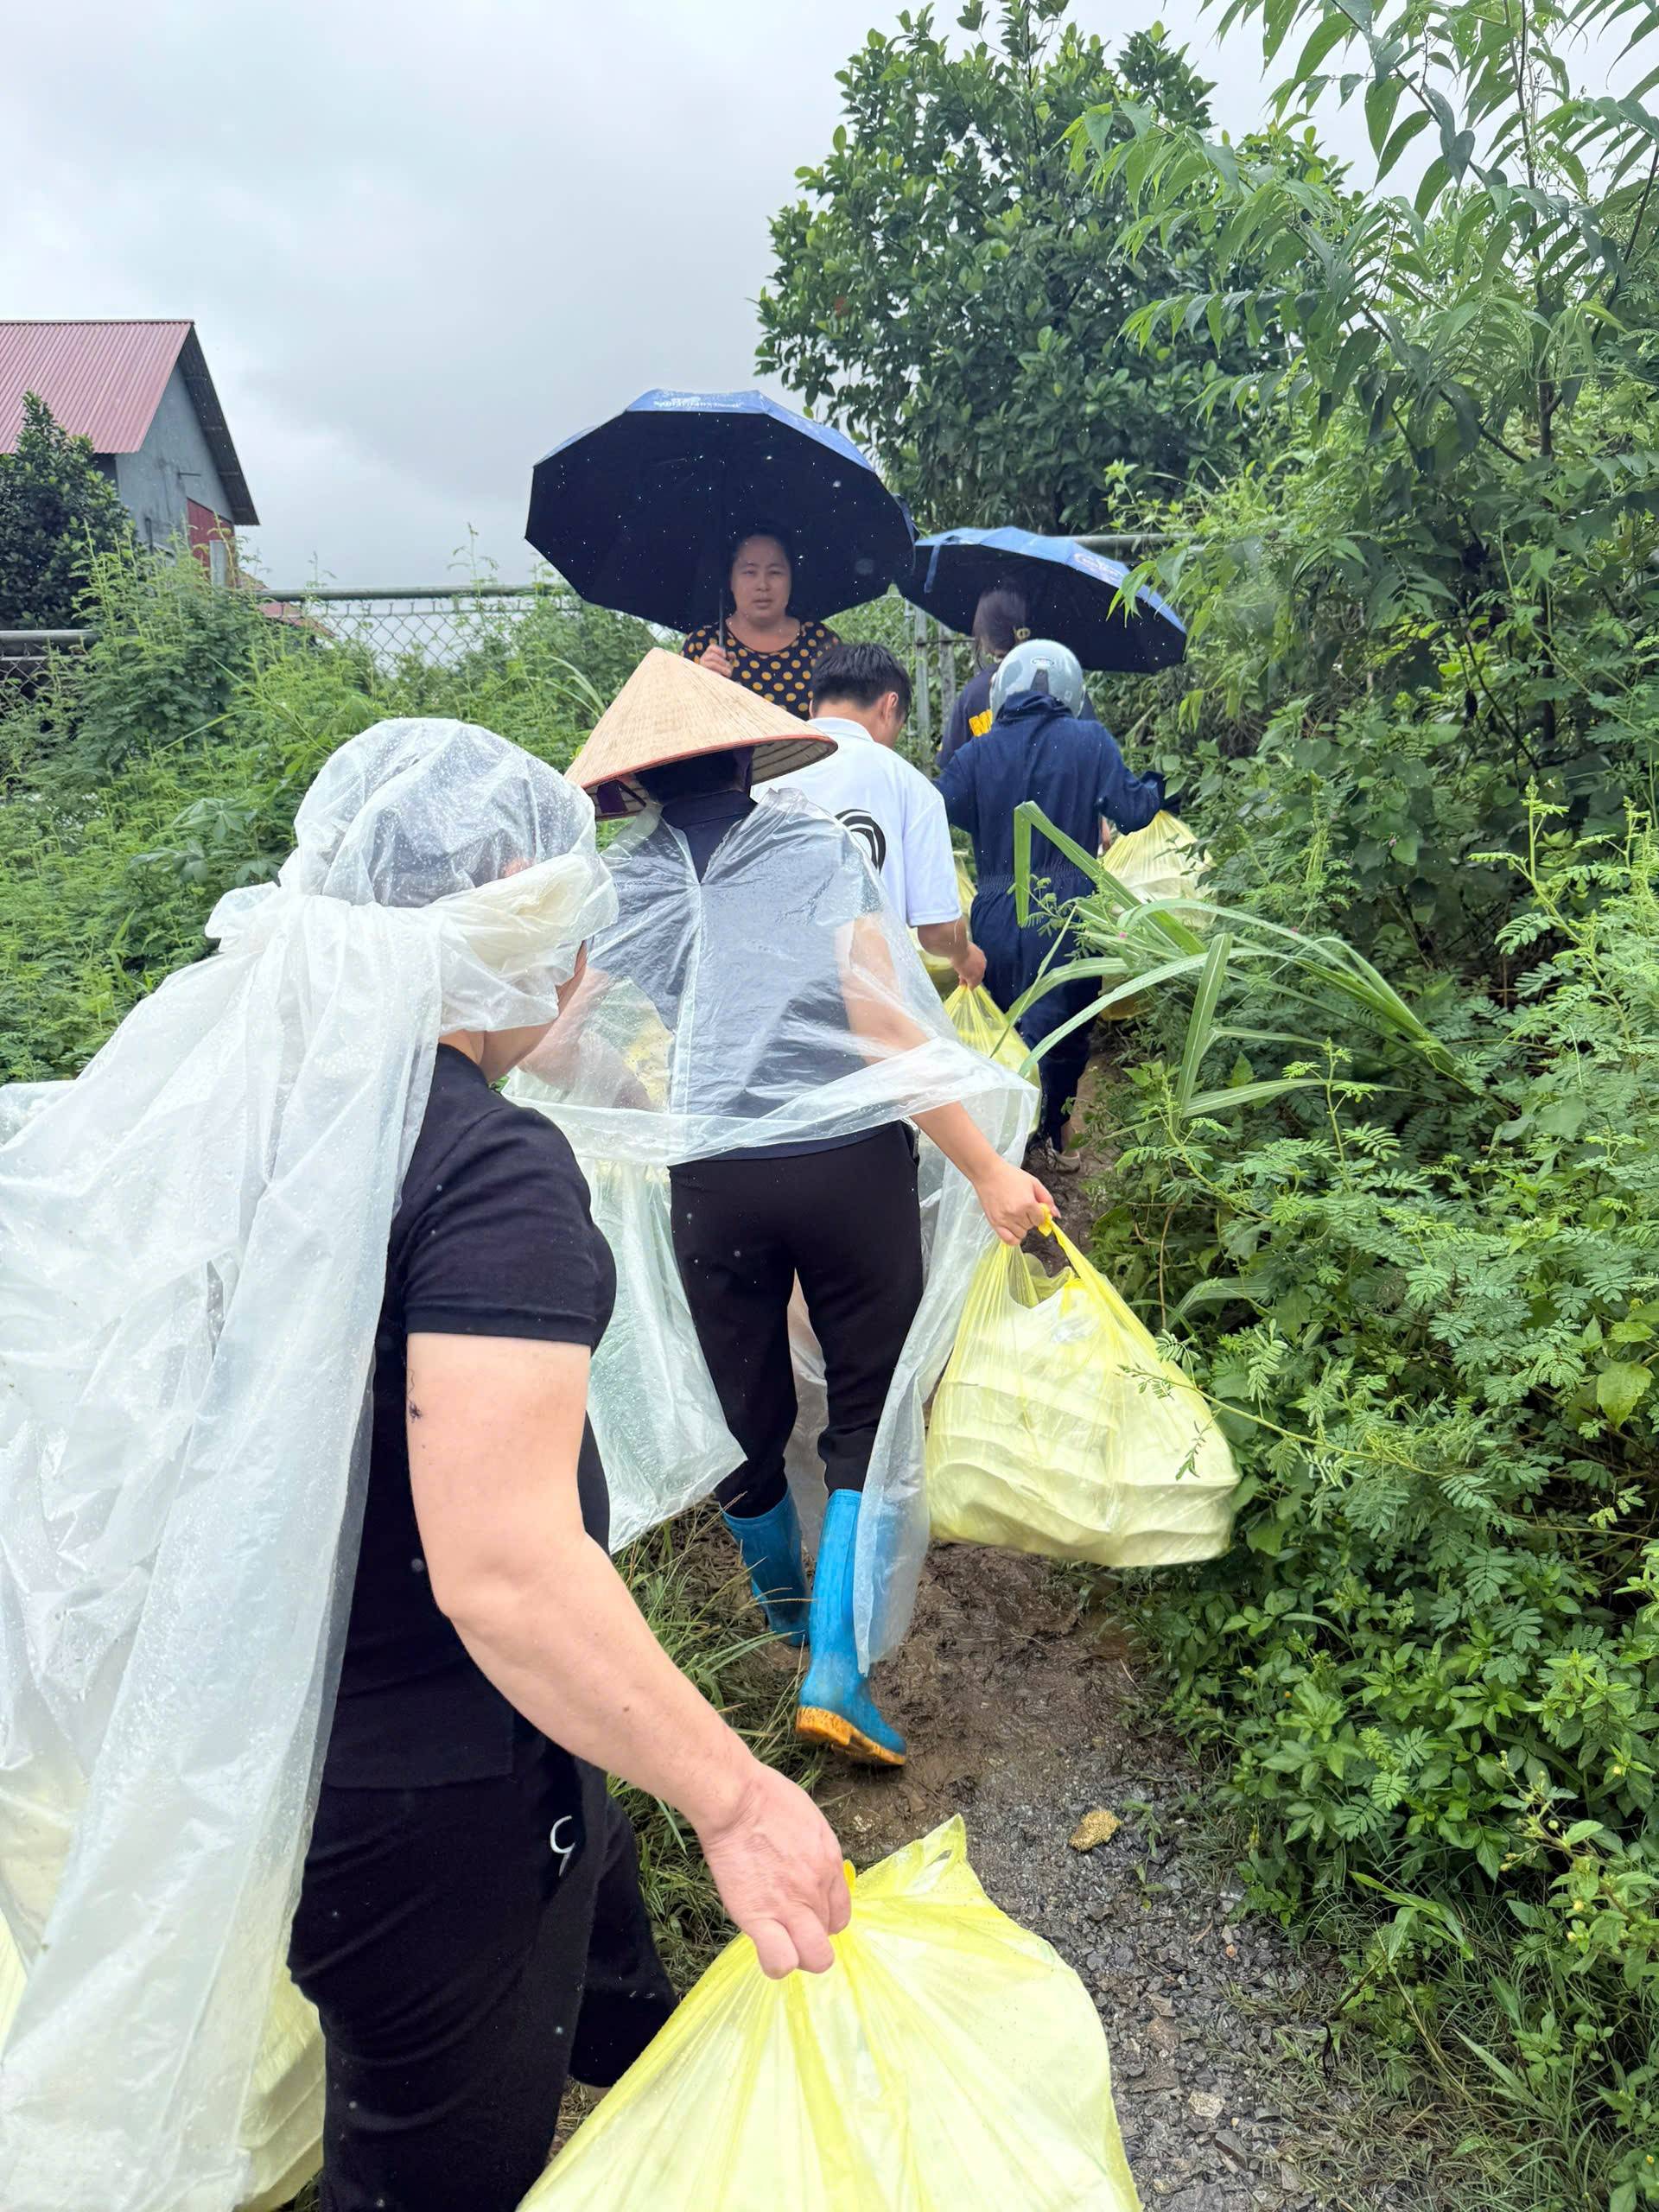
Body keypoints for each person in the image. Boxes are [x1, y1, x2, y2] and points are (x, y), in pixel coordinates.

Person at [0, 720, 849, 2212]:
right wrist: (736, 1800)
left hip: (259, 1721)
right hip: (432, 1788)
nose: (581, 968)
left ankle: (631, 2055)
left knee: (581, 1919)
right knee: (428, 2163)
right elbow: (505, 1571)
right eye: (571, 923)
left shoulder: (231, 1105)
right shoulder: (484, 1169)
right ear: (509, 903)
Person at [547, 652, 1049, 1771]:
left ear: (638, 784)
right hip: (845, 1166)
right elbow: (882, 1025)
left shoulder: (623, 886)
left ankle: (780, 1622)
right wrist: (985, 1169)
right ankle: (834, 1667)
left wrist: (648, 1114)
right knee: (867, 1404)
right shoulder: (818, 851)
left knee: (745, 1414)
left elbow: (559, 1035)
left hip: (712, 1179)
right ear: (749, 756)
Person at [938, 639, 1165, 1175]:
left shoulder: (977, 753)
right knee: (1065, 1031)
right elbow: (1133, 811)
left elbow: (938, 809)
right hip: (1069, 908)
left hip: (995, 905)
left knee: (1002, 1025)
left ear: (1003, 693)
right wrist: (1157, 784)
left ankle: (1004, 1147)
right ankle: (1051, 1140)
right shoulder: (1089, 740)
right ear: (1071, 692)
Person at [766, 639, 986, 993]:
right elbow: (937, 932)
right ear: (889, 705)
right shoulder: (910, 786)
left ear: (812, 706)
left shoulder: (764, 776)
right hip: (872, 999)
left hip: (775, 991)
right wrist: (964, 954)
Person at [938, 582, 1100, 769]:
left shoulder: (973, 694)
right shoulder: (1064, 681)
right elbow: (1094, 751)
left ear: (987, 638)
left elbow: (950, 766)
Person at [680, 525, 839, 714]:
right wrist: (700, 685)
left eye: (775, 572)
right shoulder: (702, 645)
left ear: (791, 578)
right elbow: (678, 719)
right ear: (730, 580)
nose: (763, 585)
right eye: (750, 572)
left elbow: (845, 717)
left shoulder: (821, 643)